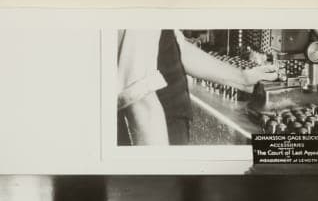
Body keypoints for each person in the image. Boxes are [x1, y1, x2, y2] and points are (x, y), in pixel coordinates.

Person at [117, 29, 279, 145]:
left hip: (168, 123)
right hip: (158, 129)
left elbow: (176, 45)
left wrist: (243, 78)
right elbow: (140, 100)